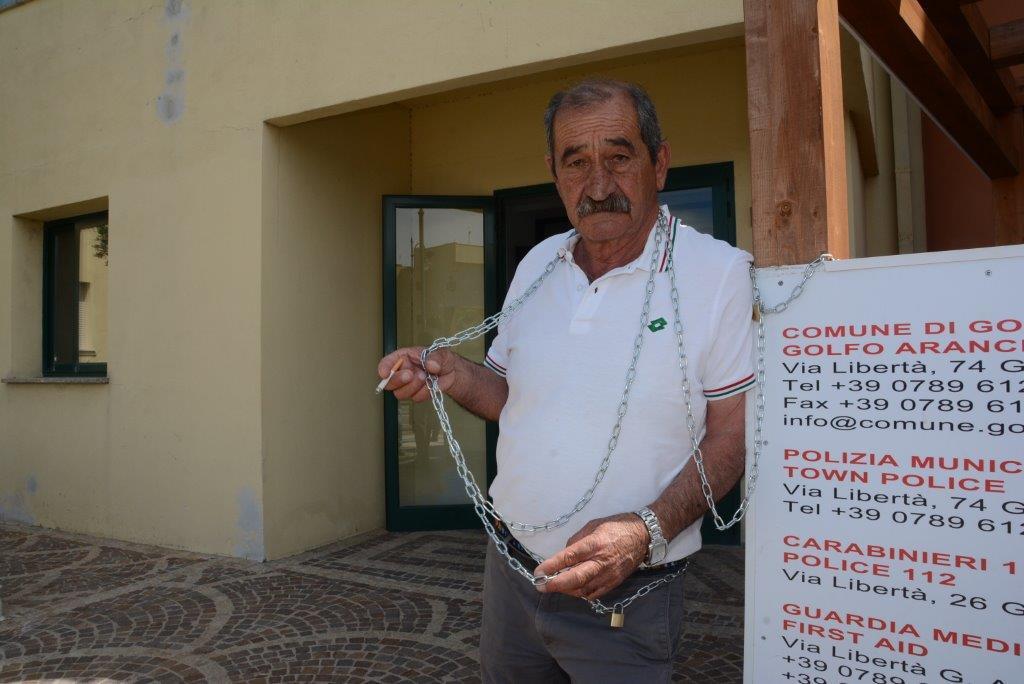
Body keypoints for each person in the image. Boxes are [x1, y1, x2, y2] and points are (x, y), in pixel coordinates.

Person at [378, 79, 753, 683]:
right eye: (576, 163)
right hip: (511, 572)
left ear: (659, 164)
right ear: (554, 173)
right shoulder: (540, 262)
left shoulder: (718, 273)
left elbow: (732, 434)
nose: (598, 186)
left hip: (628, 596)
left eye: (619, 157)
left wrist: (644, 531)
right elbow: (510, 396)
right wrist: (450, 374)